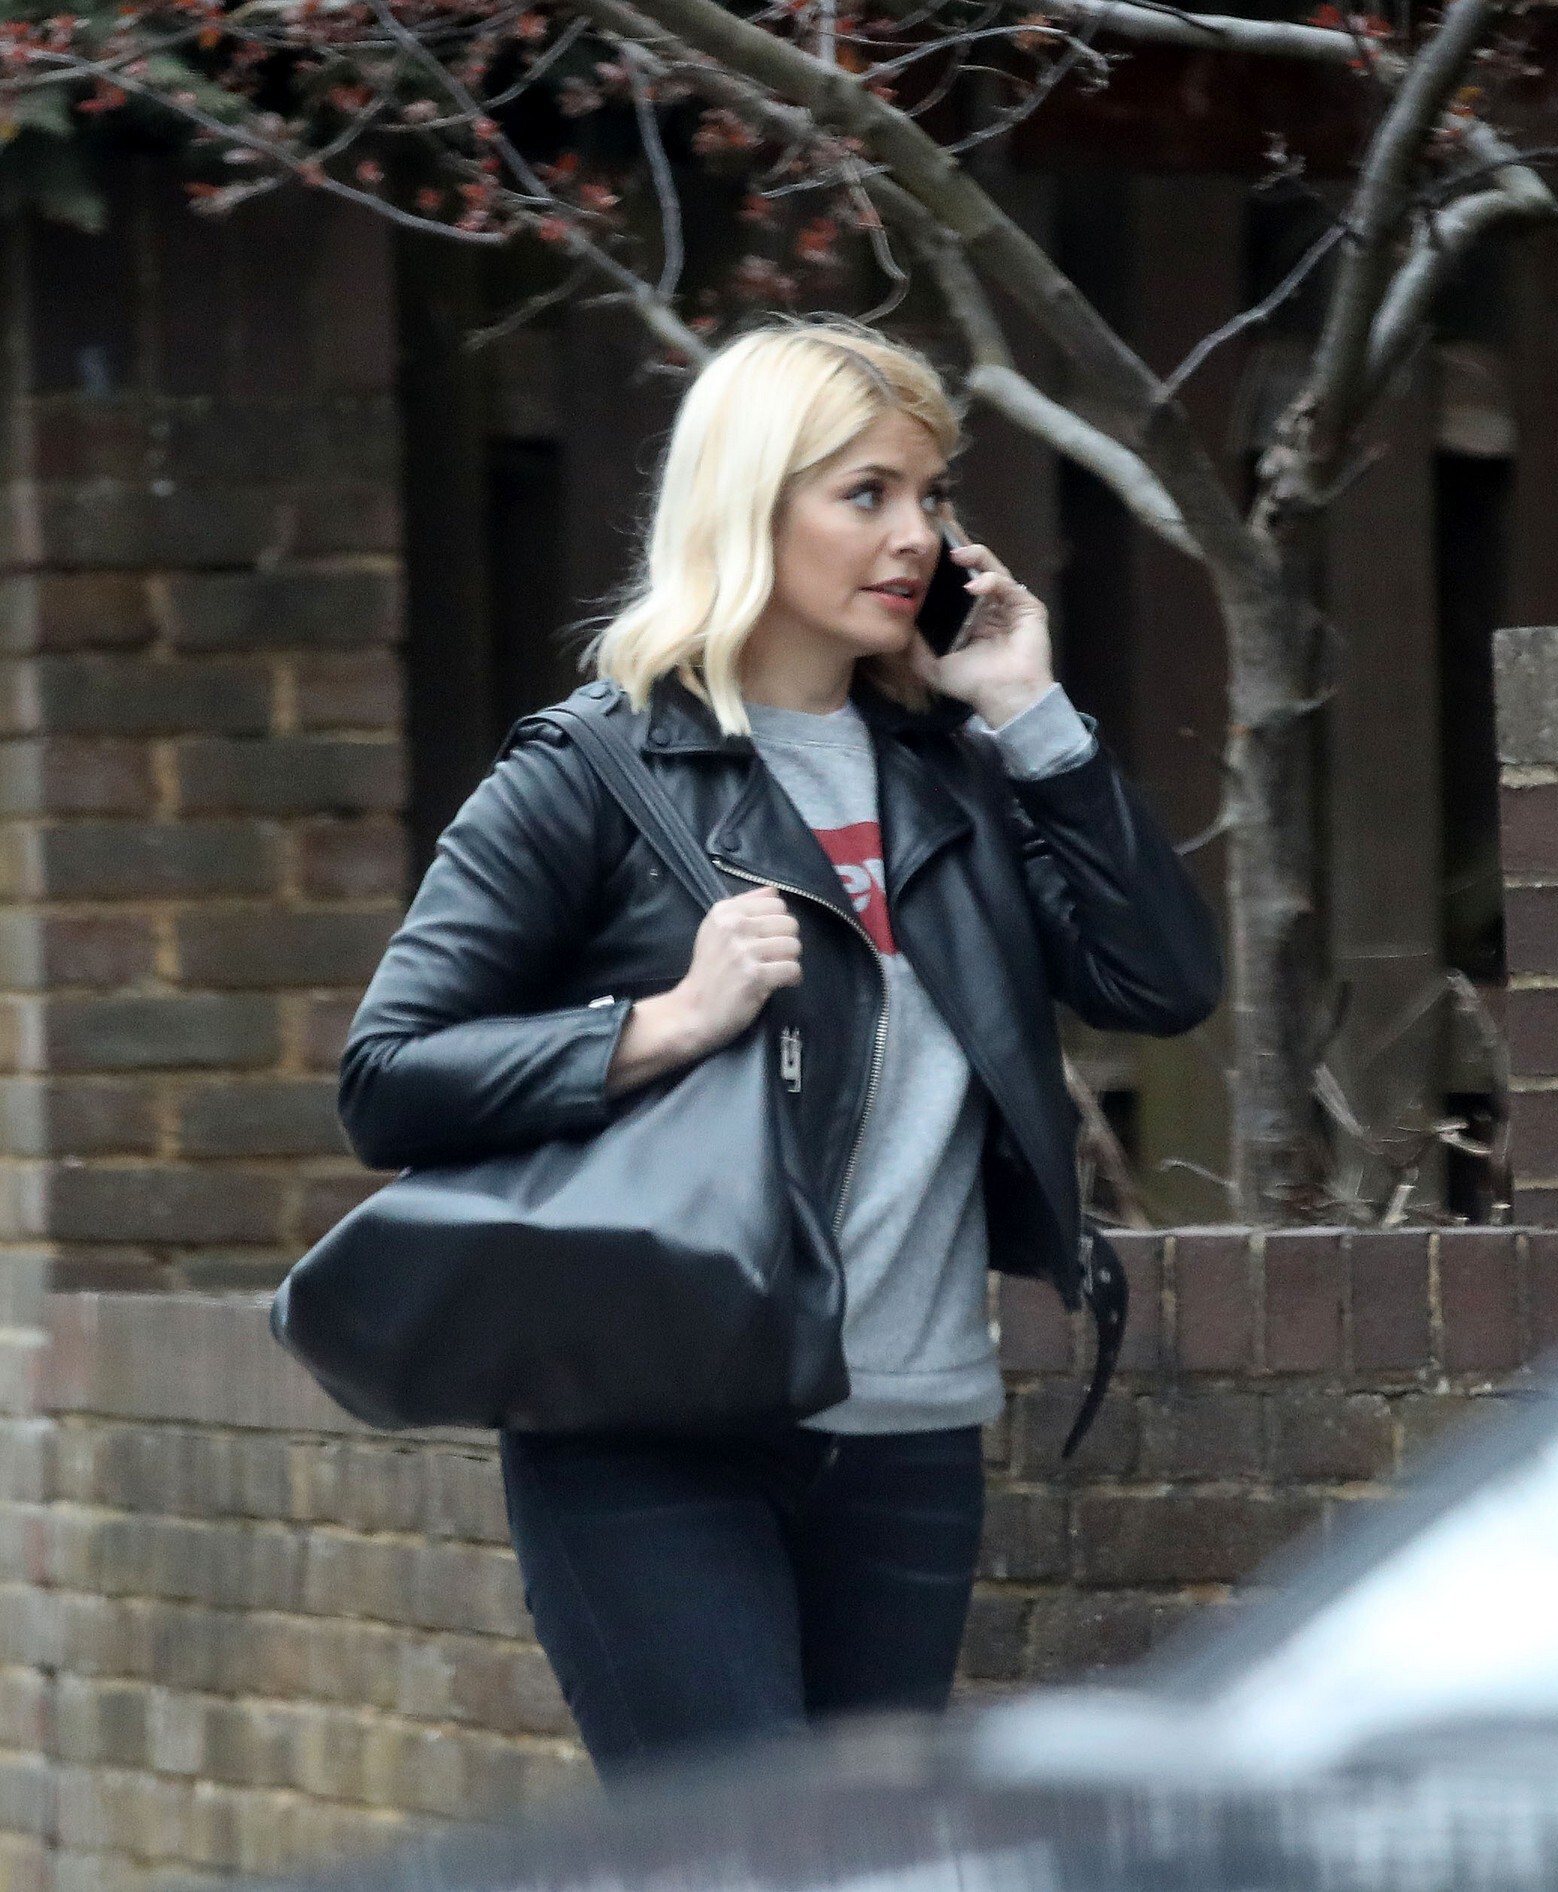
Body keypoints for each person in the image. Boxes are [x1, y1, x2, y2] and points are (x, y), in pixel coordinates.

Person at [338, 320, 1222, 1778]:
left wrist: (1031, 715)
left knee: (859, 1862)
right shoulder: (591, 772)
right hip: (656, 1424)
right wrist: (661, 1024)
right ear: (751, 503)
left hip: (911, 1429)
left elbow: (1162, 981)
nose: (916, 536)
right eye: (866, 493)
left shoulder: (958, 777)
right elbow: (388, 1075)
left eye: (932, 496)